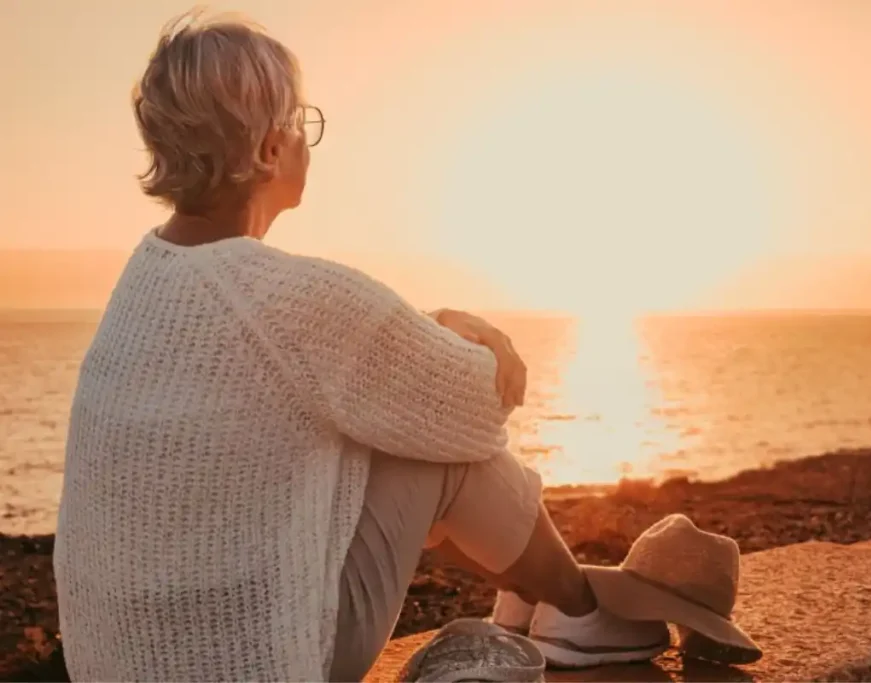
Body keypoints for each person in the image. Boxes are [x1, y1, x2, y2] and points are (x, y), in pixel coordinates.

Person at [52, 10, 669, 682]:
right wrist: (475, 333)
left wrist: (425, 329)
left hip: (115, 665)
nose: (307, 141)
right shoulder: (288, 298)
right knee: (450, 451)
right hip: (263, 664)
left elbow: (343, 369)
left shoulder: (143, 280)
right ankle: (581, 613)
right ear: (268, 151)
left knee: (382, 418)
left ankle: (536, 601)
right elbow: (476, 406)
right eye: (301, 122)